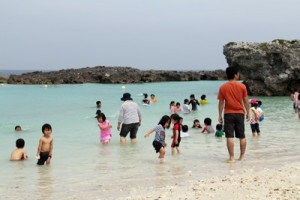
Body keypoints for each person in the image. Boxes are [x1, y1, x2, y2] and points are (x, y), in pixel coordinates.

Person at [218, 66, 250, 162]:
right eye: (238, 73)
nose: (239, 75)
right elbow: (245, 101)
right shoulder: (242, 86)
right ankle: (242, 157)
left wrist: (219, 115)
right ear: (235, 75)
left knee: (230, 136)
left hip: (228, 114)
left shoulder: (223, 87)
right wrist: (248, 112)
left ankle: (232, 158)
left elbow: (221, 103)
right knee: (242, 136)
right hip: (240, 113)